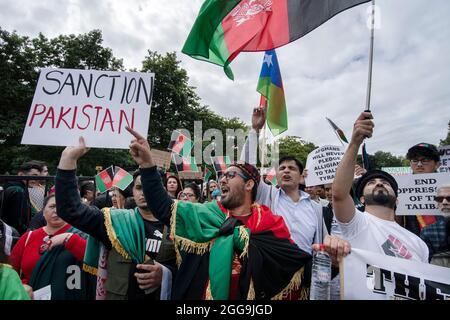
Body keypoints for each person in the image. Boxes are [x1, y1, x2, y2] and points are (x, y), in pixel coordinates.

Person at [126, 126, 314, 300]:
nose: (223, 180)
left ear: (249, 185)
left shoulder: (271, 223)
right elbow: (162, 207)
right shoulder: (207, 214)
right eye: (223, 176)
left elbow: (295, 263)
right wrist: (148, 166)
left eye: (231, 176)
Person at [55, 141, 176, 300]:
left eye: (149, 187)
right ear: (132, 190)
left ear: (162, 190)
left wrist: (166, 275)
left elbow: (193, 270)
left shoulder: (178, 224)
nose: (144, 193)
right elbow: (70, 210)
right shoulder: (114, 223)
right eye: (139, 188)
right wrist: (67, 160)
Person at [333, 111, 429, 264]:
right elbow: (339, 194)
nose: (378, 183)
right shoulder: (357, 223)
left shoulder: (419, 245)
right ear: (362, 199)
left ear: (397, 200)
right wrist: (355, 142)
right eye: (371, 183)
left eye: (385, 183)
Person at [241, 108, 331, 255]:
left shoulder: (316, 208)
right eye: (282, 168)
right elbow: (246, 169)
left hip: (305, 271)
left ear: (302, 177)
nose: (286, 171)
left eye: (292, 168)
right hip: (271, 269)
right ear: (277, 174)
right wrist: (255, 130)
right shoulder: (267, 194)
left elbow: (323, 243)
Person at [9, 194, 94, 299]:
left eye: (62, 206)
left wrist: (69, 239)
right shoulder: (28, 237)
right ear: (43, 212)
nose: (56, 210)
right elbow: (10, 270)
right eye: (52, 206)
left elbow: (93, 260)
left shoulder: (81, 235)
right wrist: (20, 285)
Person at [403, 143, 441, 235]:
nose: (419, 164)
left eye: (425, 160)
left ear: (437, 164)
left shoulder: (447, 186)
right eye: (415, 160)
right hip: (416, 244)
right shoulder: (402, 189)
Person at [1, 161, 44, 235]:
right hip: (12, 235)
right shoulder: (18, 190)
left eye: (38, 177)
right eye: (34, 175)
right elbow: (16, 221)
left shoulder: (15, 187)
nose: (36, 179)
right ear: (21, 174)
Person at [420, 184, 450, 266]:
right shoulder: (427, 231)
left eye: (449, 198)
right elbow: (427, 264)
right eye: (440, 199)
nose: (444, 202)